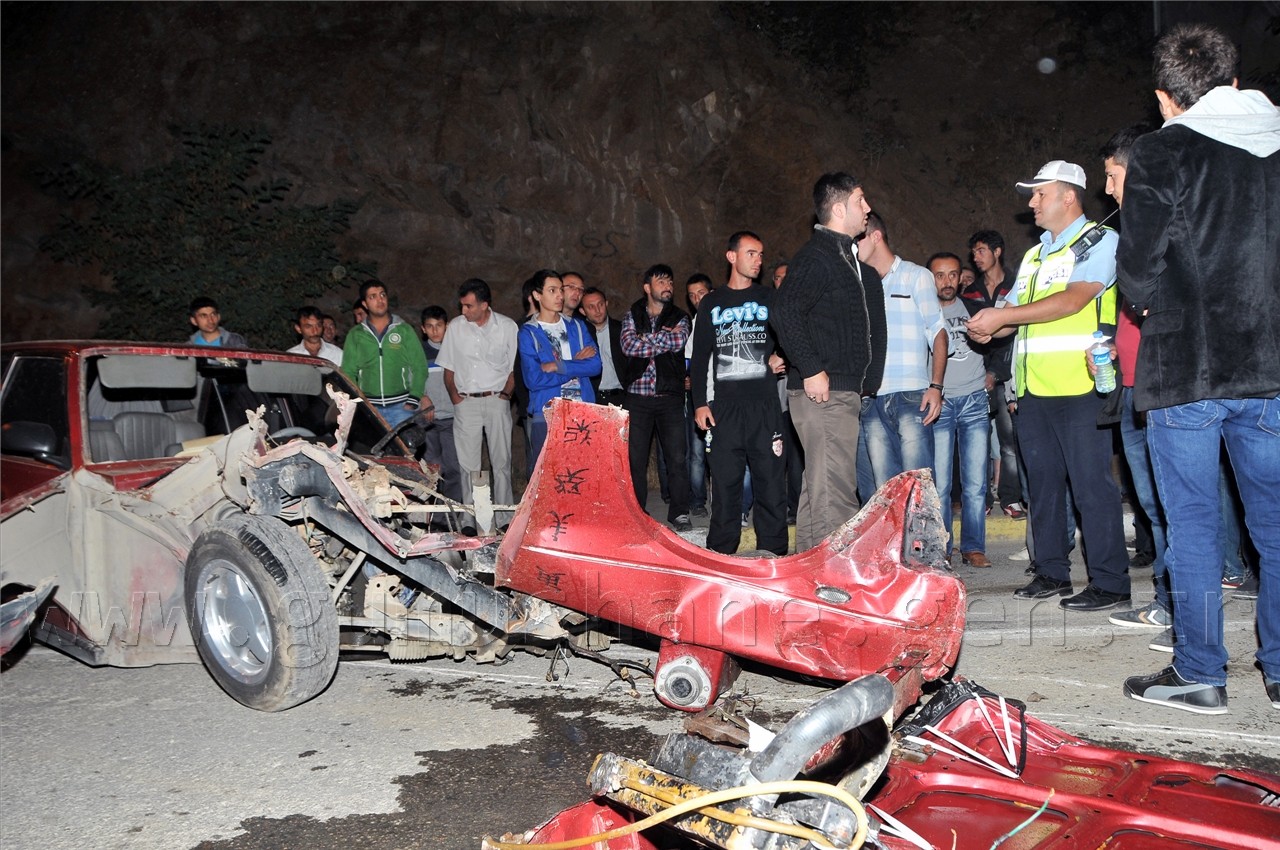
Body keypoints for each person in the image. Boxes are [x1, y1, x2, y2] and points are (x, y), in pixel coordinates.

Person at [1116, 23, 1280, 714]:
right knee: (1273, 526)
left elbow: (1138, 270)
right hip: (1271, 367)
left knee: (1190, 521)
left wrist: (1148, 304)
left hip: (1188, 367)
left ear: (1164, 98)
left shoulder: (1164, 150)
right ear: (1235, 81)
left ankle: (1200, 672)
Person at [966, 160, 1130, 612]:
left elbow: (1073, 301)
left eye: (1040, 193)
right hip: (1034, 391)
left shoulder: (1099, 241)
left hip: (1081, 386)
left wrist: (1003, 317)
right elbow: (1016, 310)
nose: (1032, 202)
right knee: (1043, 486)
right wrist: (989, 328)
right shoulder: (1036, 255)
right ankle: (1052, 572)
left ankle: (1111, 582)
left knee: (1091, 487)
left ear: (1068, 196)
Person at [1084, 125, 1172, 636]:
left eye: (1113, 177)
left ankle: (1180, 606)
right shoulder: (1133, 227)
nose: (1109, 190)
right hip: (1133, 384)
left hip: (1161, 385)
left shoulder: (1159, 225)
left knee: (1169, 504)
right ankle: (1166, 599)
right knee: (1153, 502)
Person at [772, 172, 884, 551]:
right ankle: (832, 586)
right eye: (860, 200)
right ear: (839, 208)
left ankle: (808, 577)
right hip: (825, 393)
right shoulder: (819, 256)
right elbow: (785, 311)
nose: (867, 208)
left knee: (818, 489)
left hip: (838, 391)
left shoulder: (842, 257)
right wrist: (812, 368)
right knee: (835, 494)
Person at [690, 231, 788, 556]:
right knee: (725, 486)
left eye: (760, 255)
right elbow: (700, 356)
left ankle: (772, 556)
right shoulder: (712, 303)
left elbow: (795, 334)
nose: (758, 261)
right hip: (724, 409)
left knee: (771, 484)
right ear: (731, 256)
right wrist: (700, 404)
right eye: (750, 253)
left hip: (764, 406)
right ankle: (720, 555)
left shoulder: (769, 298)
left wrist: (783, 356)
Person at [855, 212, 947, 489]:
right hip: (871, 398)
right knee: (887, 490)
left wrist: (936, 386)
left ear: (875, 236)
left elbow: (938, 331)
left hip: (911, 395)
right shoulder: (861, 286)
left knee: (918, 485)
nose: (852, 248)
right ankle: (897, 536)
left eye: (856, 241)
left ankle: (926, 536)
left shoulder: (916, 275)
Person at [434, 278, 519, 533]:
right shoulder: (457, 328)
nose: (464, 311)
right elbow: (447, 368)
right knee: (468, 465)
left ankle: (504, 517)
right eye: (462, 306)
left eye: (469, 306)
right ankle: (470, 518)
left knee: (501, 461)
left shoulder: (506, 326)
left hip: (497, 400)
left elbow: (516, 366)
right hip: (466, 402)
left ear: (484, 304)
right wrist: (455, 397)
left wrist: (507, 393)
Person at [620, 264, 692, 532]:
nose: (668, 286)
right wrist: (661, 338)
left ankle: (680, 512)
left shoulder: (680, 316)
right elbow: (628, 345)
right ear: (647, 287)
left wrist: (646, 339)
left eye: (670, 282)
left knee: (676, 457)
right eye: (661, 282)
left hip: (669, 396)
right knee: (634, 459)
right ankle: (637, 513)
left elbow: (678, 342)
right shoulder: (632, 314)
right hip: (637, 398)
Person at [929, 252, 989, 568]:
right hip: (939, 404)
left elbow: (997, 340)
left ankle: (974, 547)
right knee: (940, 484)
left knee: (976, 482)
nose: (947, 281)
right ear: (929, 278)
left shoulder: (975, 309)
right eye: (939, 275)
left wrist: (993, 374)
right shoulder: (921, 313)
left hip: (974, 401)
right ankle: (942, 549)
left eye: (952, 274)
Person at [962, 230, 1026, 520]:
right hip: (975, 376)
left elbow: (1013, 334)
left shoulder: (1017, 286)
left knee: (1009, 440)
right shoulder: (971, 292)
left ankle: (1010, 498)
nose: (976, 258)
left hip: (1007, 376)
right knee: (977, 441)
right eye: (973, 253)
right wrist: (981, 372)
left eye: (981, 251)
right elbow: (970, 336)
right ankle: (982, 498)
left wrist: (995, 372)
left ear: (997, 251)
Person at [517, 270, 600, 463]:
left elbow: (595, 365)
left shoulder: (577, 327)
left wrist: (558, 366)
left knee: (582, 477)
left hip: (582, 412)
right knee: (551, 481)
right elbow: (534, 379)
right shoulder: (528, 333)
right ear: (537, 295)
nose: (560, 296)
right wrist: (576, 366)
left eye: (561, 290)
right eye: (552, 290)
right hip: (548, 414)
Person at [341, 280, 432, 429]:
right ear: (364, 303)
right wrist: (359, 402)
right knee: (372, 451)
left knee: (404, 451)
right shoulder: (356, 335)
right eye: (373, 297)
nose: (380, 300)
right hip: (371, 409)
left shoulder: (403, 330)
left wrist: (414, 398)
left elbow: (419, 366)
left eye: (382, 295)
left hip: (401, 408)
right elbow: (348, 372)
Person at [420, 305, 461, 503]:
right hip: (428, 419)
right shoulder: (419, 353)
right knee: (431, 469)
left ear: (447, 326)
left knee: (454, 467)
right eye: (430, 326)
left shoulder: (456, 350)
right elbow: (411, 380)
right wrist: (421, 396)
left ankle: (453, 512)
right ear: (423, 329)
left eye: (439, 325)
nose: (435, 331)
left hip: (452, 418)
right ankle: (434, 518)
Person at [682, 272, 714, 518]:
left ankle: (727, 501)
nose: (696, 299)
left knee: (723, 453)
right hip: (700, 398)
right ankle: (697, 501)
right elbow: (689, 360)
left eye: (700, 293)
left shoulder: (724, 316)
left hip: (725, 396)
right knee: (696, 453)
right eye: (691, 296)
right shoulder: (695, 322)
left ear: (711, 292)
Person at [580, 287, 626, 406]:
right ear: (582, 311)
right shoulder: (579, 334)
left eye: (600, 304)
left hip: (621, 397)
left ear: (606, 304)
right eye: (591, 307)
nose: (597, 310)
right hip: (592, 399)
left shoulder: (622, 330)